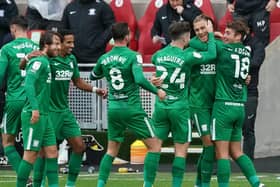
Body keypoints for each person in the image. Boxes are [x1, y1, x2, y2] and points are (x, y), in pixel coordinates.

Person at [27, 29, 107, 187]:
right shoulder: (47, 59)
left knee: (79, 146)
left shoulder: (71, 59)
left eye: (73, 42)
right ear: (58, 43)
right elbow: (26, 69)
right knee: (45, 153)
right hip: (49, 112)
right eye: (68, 42)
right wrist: (27, 57)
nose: (72, 45)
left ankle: (69, 184)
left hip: (65, 111)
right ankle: (39, 184)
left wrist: (95, 90)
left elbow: (77, 82)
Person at [90, 22, 166, 187]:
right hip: (131, 108)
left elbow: (93, 75)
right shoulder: (133, 56)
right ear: (127, 36)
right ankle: (148, 185)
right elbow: (139, 79)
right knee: (155, 146)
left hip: (114, 108)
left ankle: (100, 185)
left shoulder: (104, 58)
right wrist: (157, 90)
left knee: (111, 150)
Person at [151, 20, 216, 187]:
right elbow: (211, 55)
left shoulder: (157, 55)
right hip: (180, 107)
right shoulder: (187, 56)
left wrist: (155, 80)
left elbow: (156, 70)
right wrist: (209, 34)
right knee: (180, 152)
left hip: (161, 106)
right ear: (186, 36)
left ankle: (147, 184)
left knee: (154, 148)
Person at [211, 20, 264, 187]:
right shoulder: (246, 52)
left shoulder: (222, 48)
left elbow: (206, 43)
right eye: (224, 32)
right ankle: (257, 183)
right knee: (237, 151)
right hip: (239, 106)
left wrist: (213, 36)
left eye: (228, 33)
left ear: (239, 36)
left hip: (223, 106)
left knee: (222, 153)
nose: (224, 36)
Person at [16, 31, 61, 187]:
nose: (58, 47)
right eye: (55, 43)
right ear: (45, 45)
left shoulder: (45, 61)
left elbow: (22, 66)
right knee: (30, 154)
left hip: (45, 115)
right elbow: (28, 83)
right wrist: (35, 109)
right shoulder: (40, 62)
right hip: (33, 114)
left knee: (52, 153)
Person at [0, 16, 39, 175]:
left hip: (15, 100)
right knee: (34, 146)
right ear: (27, 29)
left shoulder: (6, 49)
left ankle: (25, 180)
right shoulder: (37, 48)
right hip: (34, 102)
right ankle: (39, 182)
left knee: (7, 142)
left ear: (13, 29)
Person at [186, 14, 221, 187]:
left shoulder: (218, 46)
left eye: (203, 28)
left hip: (215, 104)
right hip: (198, 105)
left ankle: (198, 183)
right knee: (208, 145)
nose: (200, 32)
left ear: (210, 26)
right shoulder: (192, 47)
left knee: (211, 147)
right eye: (197, 29)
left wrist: (245, 78)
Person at [62, 0, 115, 69]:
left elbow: (111, 27)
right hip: (74, 57)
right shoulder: (70, 7)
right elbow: (63, 29)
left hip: (95, 57)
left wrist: (98, 43)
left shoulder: (102, 6)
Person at [242, 35, 265, 161]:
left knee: (248, 129)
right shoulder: (227, 45)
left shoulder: (256, 44)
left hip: (249, 93)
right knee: (225, 131)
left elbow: (257, 62)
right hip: (230, 93)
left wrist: (241, 70)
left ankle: (248, 163)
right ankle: (219, 166)